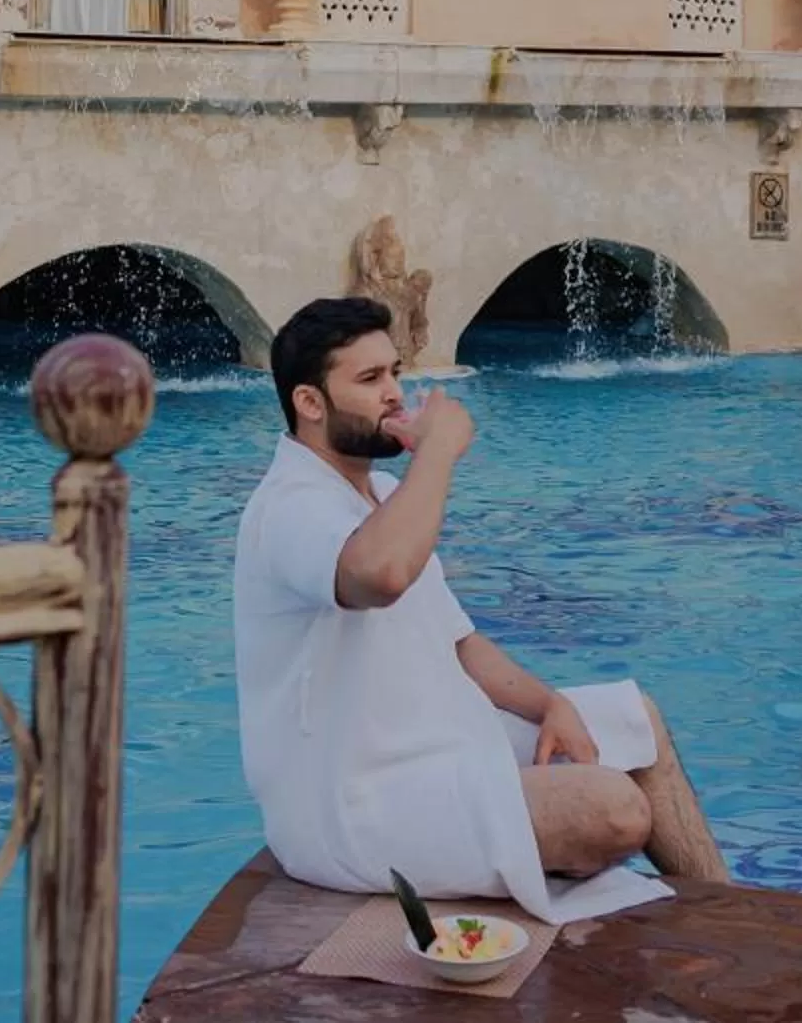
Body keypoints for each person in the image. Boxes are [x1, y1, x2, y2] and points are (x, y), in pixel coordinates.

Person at [232, 296, 730, 922]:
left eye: (393, 372)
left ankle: (734, 917)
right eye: (369, 379)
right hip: (357, 806)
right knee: (614, 809)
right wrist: (437, 452)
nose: (394, 393)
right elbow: (380, 575)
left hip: (442, 748)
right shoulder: (288, 507)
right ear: (309, 403)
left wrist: (551, 704)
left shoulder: (383, 492)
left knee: (637, 722)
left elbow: (458, 643)